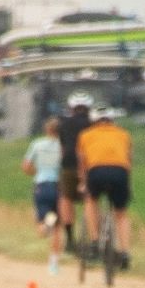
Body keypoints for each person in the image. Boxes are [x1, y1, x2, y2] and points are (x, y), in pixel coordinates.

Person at [76, 105, 134, 265]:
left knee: (91, 200)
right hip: (120, 172)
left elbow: (82, 162)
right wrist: (128, 184)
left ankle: (94, 242)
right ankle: (125, 253)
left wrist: (83, 183)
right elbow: (129, 160)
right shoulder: (124, 134)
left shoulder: (85, 135)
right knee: (121, 213)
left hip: (96, 171)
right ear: (112, 120)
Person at [24, 115, 66, 274]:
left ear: (47, 130)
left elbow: (26, 166)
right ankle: (53, 264)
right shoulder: (62, 147)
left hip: (41, 185)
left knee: (42, 226)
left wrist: (36, 172)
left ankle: (46, 225)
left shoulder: (37, 144)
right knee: (58, 227)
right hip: (58, 187)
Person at [55, 93, 94, 246]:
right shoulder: (93, 124)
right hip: (90, 164)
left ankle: (70, 238)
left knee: (66, 198)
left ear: (71, 108)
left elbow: (62, 148)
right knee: (91, 200)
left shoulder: (63, 124)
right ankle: (94, 238)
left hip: (69, 164)